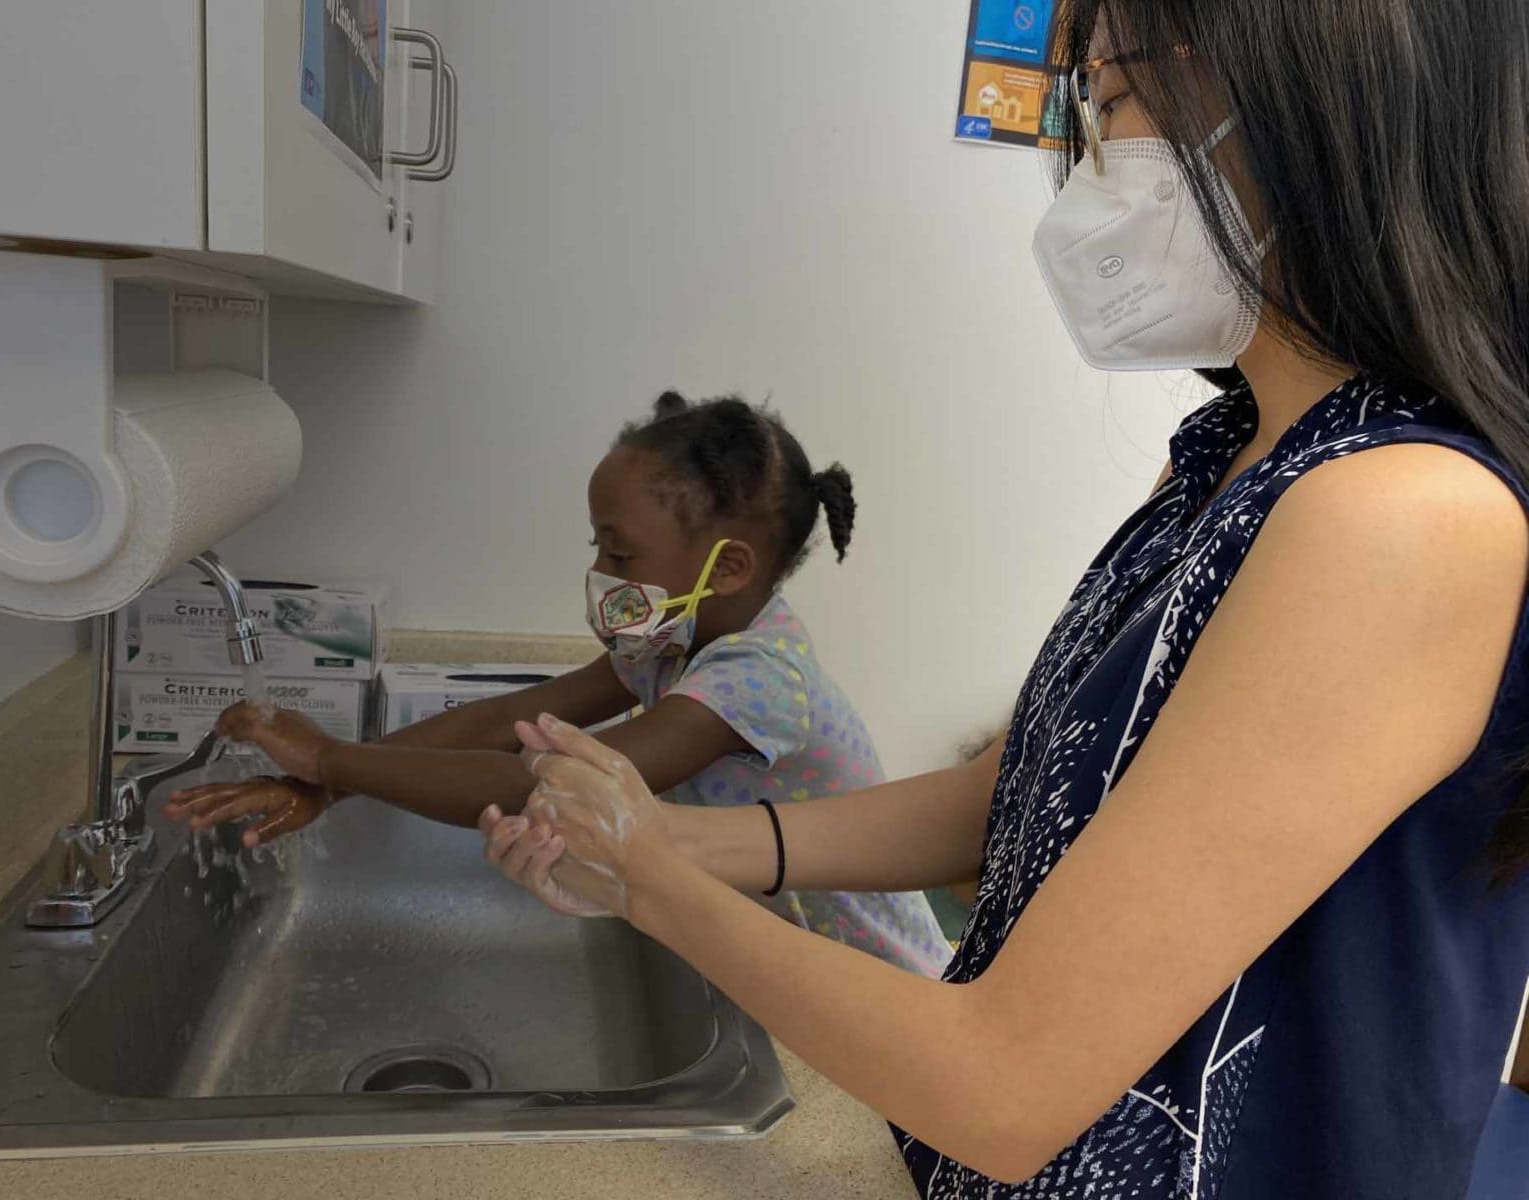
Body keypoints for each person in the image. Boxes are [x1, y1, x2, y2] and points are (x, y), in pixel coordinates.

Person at [481, 1, 1529, 1195]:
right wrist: (677, 837)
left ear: (1309, 114)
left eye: (1114, 102)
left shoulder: (1398, 514)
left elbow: (1002, 1085)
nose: (1088, 164)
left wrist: (654, 882)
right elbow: (1012, 797)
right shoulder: (1237, 457)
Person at [166, 391, 951, 976]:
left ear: (731, 568)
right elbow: (515, 720)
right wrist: (329, 788)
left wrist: (333, 760)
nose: (601, 574)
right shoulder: (668, 641)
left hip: (873, 983)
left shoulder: (758, 679)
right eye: (599, 548)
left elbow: (553, 783)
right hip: (776, 958)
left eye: (621, 554)